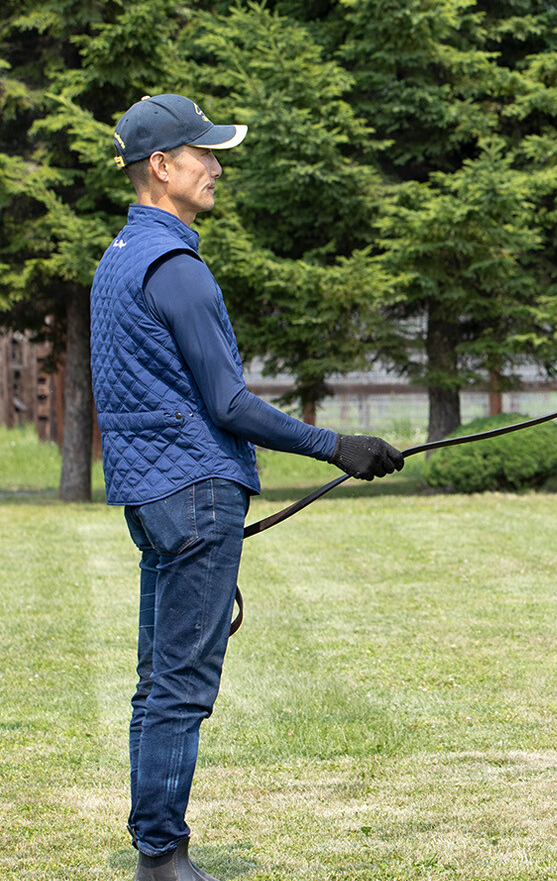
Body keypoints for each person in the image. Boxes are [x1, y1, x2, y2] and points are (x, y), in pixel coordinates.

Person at [92, 94, 406, 881]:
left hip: (152, 498)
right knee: (180, 692)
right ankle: (162, 857)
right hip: (196, 498)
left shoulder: (118, 258)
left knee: (154, 687)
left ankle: (156, 848)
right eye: (203, 154)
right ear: (160, 167)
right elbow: (228, 404)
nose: (217, 167)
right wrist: (340, 446)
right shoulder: (178, 268)